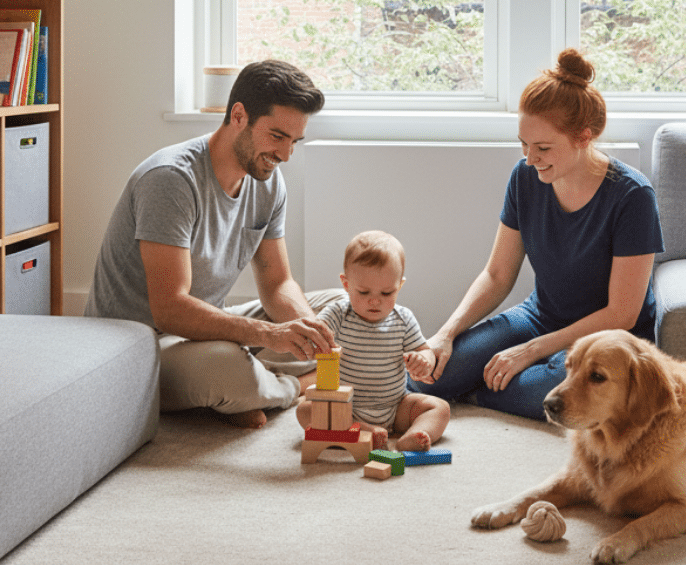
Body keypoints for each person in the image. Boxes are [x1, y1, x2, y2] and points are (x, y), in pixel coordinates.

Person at [84, 59, 343, 430]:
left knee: (341, 309)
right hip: (140, 347)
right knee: (225, 366)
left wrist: (311, 331)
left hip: (203, 331)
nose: (286, 155)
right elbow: (170, 310)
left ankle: (245, 392)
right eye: (276, 137)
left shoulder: (267, 180)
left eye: (294, 142)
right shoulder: (171, 180)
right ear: (239, 115)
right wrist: (271, 335)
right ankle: (289, 386)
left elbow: (277, 284)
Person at [408, 48, 664, 421]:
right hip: (540, 316)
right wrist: (444, 335)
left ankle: (477, 392)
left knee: (549, 395)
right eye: (524, 144)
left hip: (605, 339)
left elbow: (622, 314)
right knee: (432, 375)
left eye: (543, 148)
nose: (530, 159)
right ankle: (468, 384)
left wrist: (528, 351)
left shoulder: (633, 196)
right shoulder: (525, 177)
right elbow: (497, 275)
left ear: (583, 137)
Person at [296, 230, 450, 451]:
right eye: (364, 292)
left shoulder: (403, 318)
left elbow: (424, 350)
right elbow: (313, 334)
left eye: (387, 293)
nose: (375, 300)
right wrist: (315, 344)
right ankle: (363, 430)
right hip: (343, 407)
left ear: (400, 285)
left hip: (395, 407)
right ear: (347, 284)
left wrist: (423, 360)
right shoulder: (338, 313)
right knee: (305, 410)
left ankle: (414, 435)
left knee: (439, 408)